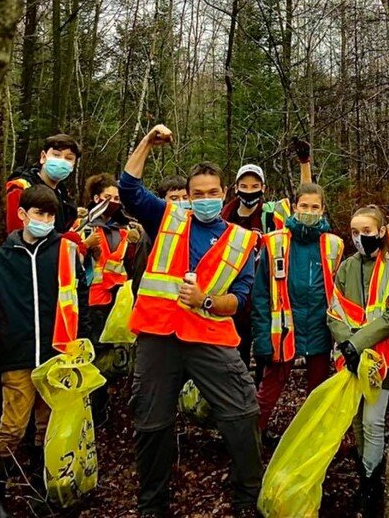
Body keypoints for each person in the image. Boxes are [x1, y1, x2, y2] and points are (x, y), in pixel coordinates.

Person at [119, 125, 262, 517]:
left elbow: (240, 300)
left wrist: (207, 300)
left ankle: (247, 498)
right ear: (189, 196)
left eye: (212, 193)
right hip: (158, 335)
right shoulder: (167, 217)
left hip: (211, 335)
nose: (204, 200)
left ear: (224, 195)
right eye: (197, 194)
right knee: (151, 422)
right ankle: (152, 506)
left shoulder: (240, 239)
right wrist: (147, 142)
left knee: (243, 412)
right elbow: (129, 188)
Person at [0, 184, 89, 517]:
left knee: (48, 425)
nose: (44, 220)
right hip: (15, 354)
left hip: (56, 356)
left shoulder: (63, 251)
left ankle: (44, 488)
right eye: (38, 214)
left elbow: (80, 299)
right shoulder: (2, 257)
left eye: (49, 215)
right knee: (13, 425)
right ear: (22, 215)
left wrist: (80, 342)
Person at [251, 182, 343, 436]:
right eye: (304, 206)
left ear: (323, 210)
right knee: (267, 392)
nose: (309, 211)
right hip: (282, 334)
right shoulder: (274, 243)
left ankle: (313, 443)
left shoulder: (334, 245)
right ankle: (251, 443)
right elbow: (260, 296)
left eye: (315, 207)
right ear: (294, 207)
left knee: (318, 394)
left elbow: (339, 293)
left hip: (320, 332)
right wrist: (262, 341)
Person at [327, 205, 389, 517]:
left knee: (373, 420)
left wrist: (357, 343)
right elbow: (335, 311)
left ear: (381, 231)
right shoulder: (347, 267)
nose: (359, 238)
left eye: (366, 232)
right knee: (356, 422)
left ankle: (371, 483)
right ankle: (363, 472)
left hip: (383, 358)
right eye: (354, 232)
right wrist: (347, 345)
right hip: (351, 358)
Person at [223, 142, 314, 371]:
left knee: (267, 354)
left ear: (263, 188)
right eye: (244, 185)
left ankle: (260, 399)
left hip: (267, 296)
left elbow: (306, 200)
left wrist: (304, 164)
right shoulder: (225, 217)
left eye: (255, 185)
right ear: (236, 188)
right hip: (235, 295)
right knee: (237, 353)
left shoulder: (274, 212)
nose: (249, 190)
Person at [81, 172, 139, 427]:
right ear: (96, 198)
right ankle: (94, 408)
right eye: (107, 197)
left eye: (117, 197)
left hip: (120, 301)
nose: (113, 202)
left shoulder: (125, 228)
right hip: (93, 301)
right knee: (96, 355)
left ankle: (117, 404)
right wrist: (84, 246)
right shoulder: (85, 226)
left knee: (121, 352)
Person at [5, 134, 83, 238]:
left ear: (73, 165)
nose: (62, 161)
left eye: (68, 158)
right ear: (43, 157)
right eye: (56, 155)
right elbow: (14, 235)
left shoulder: (63, 194)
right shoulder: (21, 187)